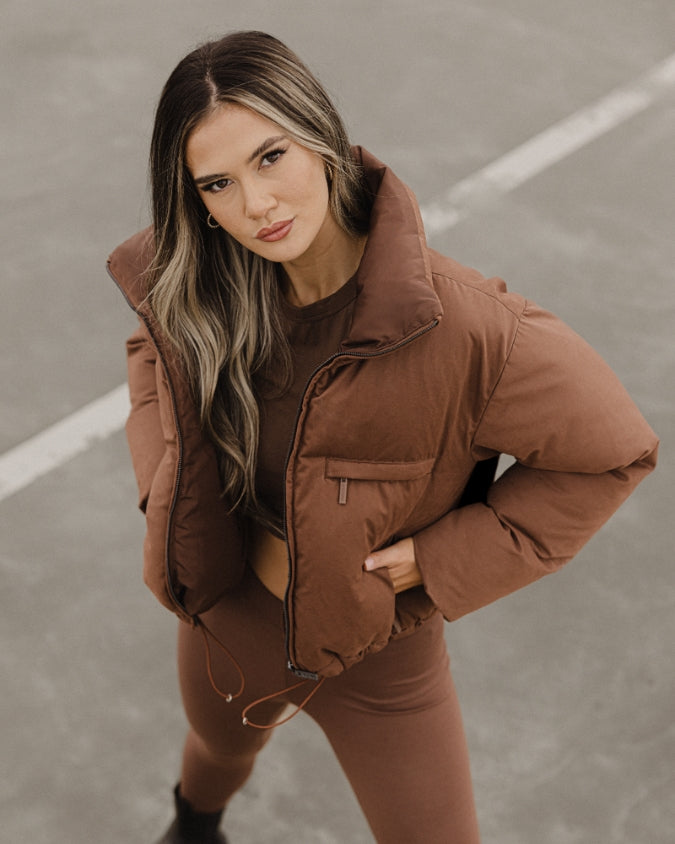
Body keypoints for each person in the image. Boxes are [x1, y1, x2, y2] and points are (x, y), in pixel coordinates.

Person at [107, 30, 658, 844]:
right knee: (217, 751)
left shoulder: (470, 330)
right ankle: (192, 829)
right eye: (217, 184)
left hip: (377, 660)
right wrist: (167, 488)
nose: (255, 204)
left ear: (321, 138)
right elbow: (151, 354)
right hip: (231, 620)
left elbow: (611, 453)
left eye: (271, 157)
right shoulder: (204, 288)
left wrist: (440, 560)